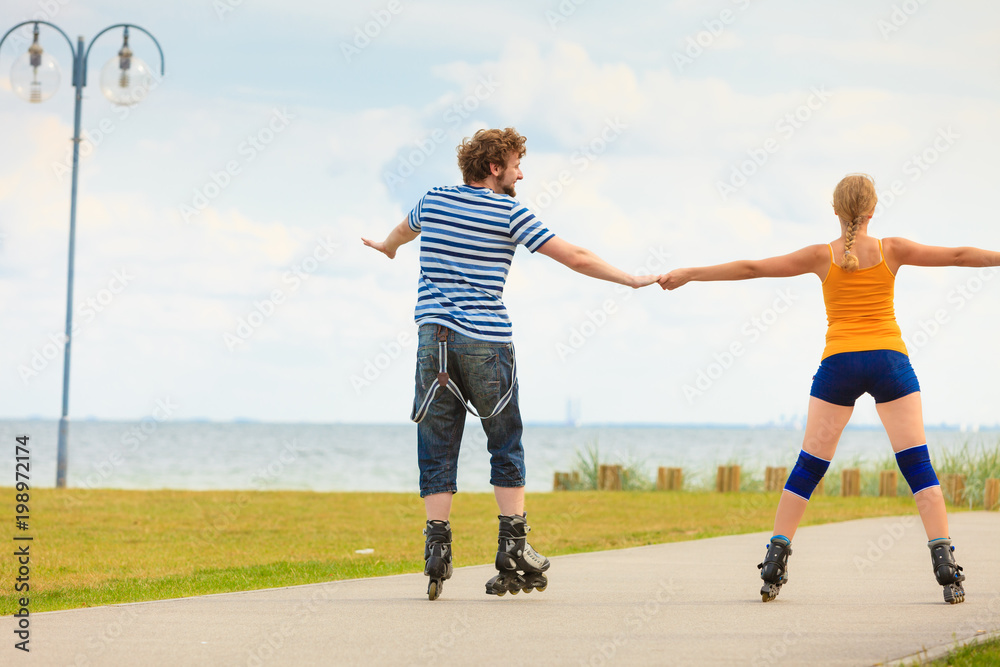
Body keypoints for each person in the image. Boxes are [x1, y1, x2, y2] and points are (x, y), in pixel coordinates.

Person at [658, 173, 1000, 604]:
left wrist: (689, 272)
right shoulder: (891, 249)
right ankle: (946, 567)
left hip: (838, 365)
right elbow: (959, 255)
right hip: (889, 362)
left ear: (835, 211)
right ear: (873, 211)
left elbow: (752, 268)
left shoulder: (822, 255)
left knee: (809, 466)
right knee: (917, 466)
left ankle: (774, 562)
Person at [363, 127, 659, 600]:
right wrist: (630, 280)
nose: (522, 172)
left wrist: (388, 247)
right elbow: (576, 258)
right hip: (486, 344)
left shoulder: (434, 199)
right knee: (505, 441)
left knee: (437, 445)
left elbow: (403, 231)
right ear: (495, 166)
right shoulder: (510, 212)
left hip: (431, 341)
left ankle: (437, 549)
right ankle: (513, 546)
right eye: (517, 163)